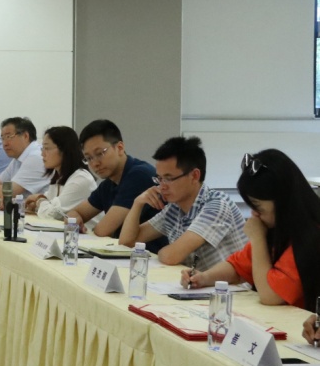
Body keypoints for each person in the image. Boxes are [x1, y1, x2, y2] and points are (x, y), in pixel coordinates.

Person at [183, 149, 320, 308]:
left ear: (283, 201)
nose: (254, 214)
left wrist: (258, 238)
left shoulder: (310, 236)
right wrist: (203, 278)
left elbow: (270, 296)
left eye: (258, 207)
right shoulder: (275, 227)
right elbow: (238, 267)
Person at [117, 136, 246, 270]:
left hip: (229, 284)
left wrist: (162, 252)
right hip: (197, 281)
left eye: (168, 178)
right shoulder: (174, 208)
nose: (162, 186)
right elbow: (127, 242)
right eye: (159, 179)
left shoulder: (217, 205)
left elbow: (171, 256)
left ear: (194, 176)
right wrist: (138, 203)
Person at [68, 119, 161, 240]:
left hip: (149, 251)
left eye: (100, 153)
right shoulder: (108, 184)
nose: (95, 163)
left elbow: (102, 231)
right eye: (89, 158)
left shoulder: (139, 175)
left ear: (120, 148)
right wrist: (74, 220)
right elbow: (74, 214)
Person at [25, 126, 97, 223]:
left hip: (88, 231)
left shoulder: (80, 179)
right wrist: (36, 205)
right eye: (42, 148)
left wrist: (39, 199)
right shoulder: (59, 176)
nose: (42, 154)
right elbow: (49, 203)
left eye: (47, 148)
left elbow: (52, 214)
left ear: (64, 150)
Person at [0, 117, 49, 200]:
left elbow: (8, 191)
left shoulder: (36, 157)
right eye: (3, 138)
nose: (4, 144)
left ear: (25, 136)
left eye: (8, 137)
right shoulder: (18, 158)